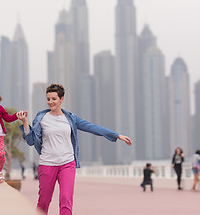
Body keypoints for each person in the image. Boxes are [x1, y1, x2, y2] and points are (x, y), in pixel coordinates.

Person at [18, 83, 132, 215]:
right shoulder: (41, 118)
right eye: (48, 99)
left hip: (67, 163)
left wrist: (117, 135)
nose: (50, 102)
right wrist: (25, 122)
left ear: (62, 99)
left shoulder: (71, 118)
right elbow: (31, 141)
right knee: (43, 202)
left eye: (54, 99)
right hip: (47, 164)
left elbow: (92, 127)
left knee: (66, 201)